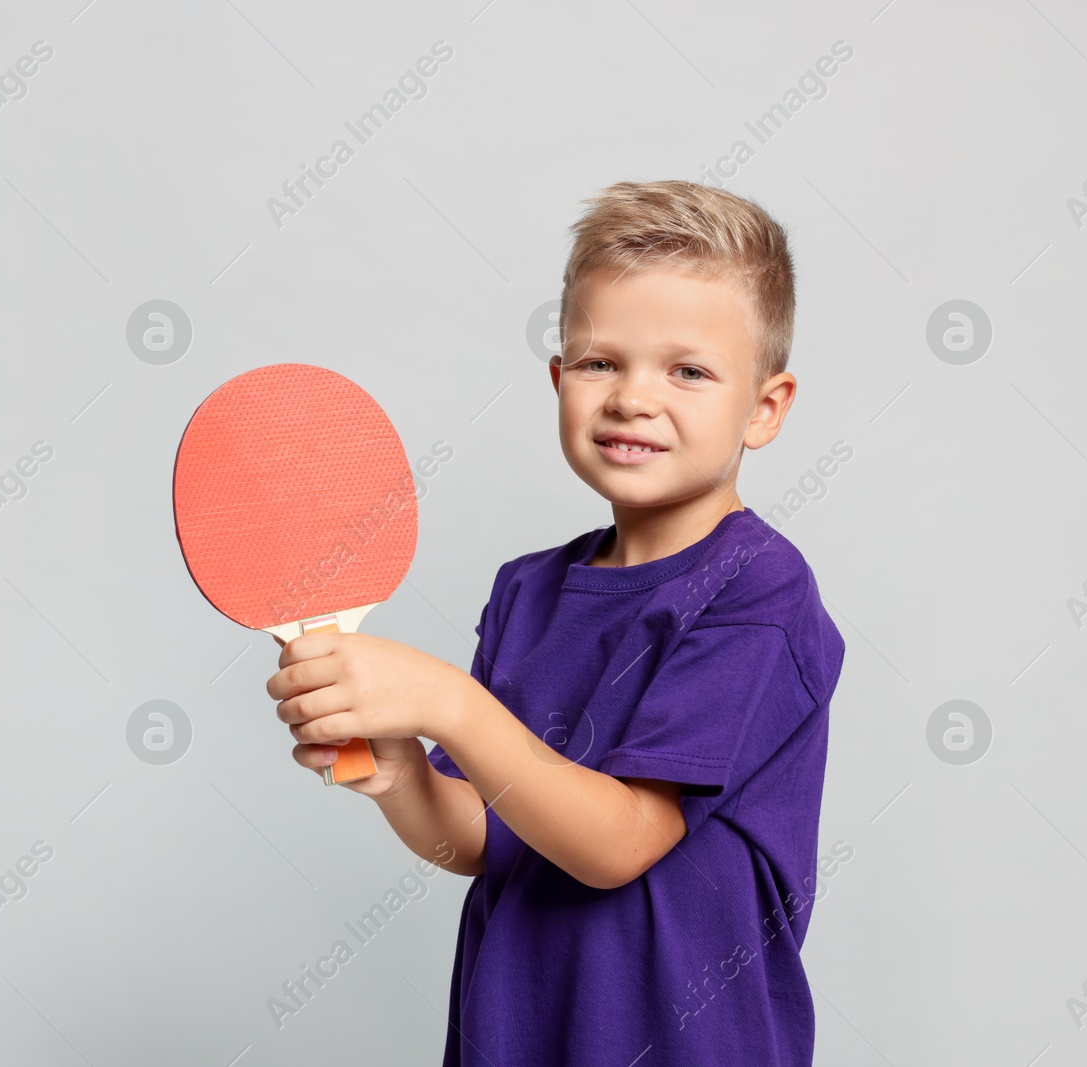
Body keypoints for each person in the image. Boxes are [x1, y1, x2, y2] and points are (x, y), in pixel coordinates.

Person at [265, 179, 847, 1066]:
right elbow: (478, 839)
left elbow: (618, 845)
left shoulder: (759, 589)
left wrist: (445, 701)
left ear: (764, 408)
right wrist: (398, 773)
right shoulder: (527, 592)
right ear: (557, 379)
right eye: (599, 362)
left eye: (687, 370)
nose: (631, 398)